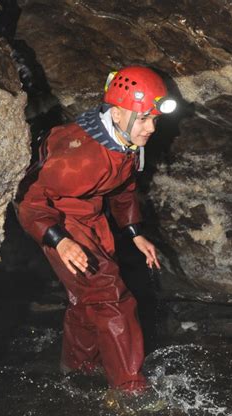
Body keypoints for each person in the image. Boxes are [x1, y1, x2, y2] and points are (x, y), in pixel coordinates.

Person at [15, 66, 176, 393]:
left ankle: (78, 370)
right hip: (57, 218)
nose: (151, 128)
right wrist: (59, 241)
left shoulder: (125, 142)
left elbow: (123, 191)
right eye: (144, 119)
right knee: (110, 296)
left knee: (86, 297)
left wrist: (134, 233)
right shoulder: (81, 158)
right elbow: (28, 202)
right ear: (116, 114)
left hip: (91, 216)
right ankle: (130, 389)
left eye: (154, 119)